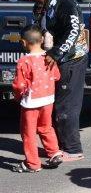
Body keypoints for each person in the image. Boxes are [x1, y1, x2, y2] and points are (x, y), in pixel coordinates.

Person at [19, 0, 88, 161]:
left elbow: (73, 29)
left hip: (71, 59)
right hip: (53, 61)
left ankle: (73, 149)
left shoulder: (64, 2)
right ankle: (57, 147)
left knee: (66, 106)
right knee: (53, 105)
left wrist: (57, 52)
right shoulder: (40, 6)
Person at [11, 25, 63, 173]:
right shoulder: (49, 58)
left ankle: (32, 163)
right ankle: (54, 153)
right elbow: (57, 76)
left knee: (28, 133)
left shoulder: (24, 61)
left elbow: (20, 85)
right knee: (46, 127)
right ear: (41, 40)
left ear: (23, 42)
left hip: (31, 103)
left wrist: (17, 96)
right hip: (48, 100)